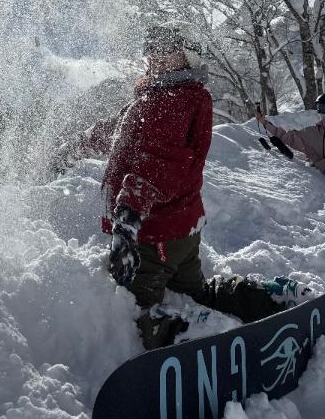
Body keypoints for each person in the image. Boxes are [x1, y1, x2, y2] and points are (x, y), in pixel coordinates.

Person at [53, 24, 311, 349]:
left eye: (165, 50)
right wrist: (77, 145)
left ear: (184, 56)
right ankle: (264, 299)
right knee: (195, 290)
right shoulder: (163, 97)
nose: (155, 57)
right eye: (152, 50)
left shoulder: (171, 102)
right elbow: (121, 132)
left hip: (155, 234)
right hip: (180, 231)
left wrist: (128, 220)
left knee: (132, 306)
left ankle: (189, 335)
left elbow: (157, 165)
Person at [256, 98, 325, 173]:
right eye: (319, 107)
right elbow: (290, 137)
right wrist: (266, 123)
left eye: (322, 107)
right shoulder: (313, 132)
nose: (319, 111)